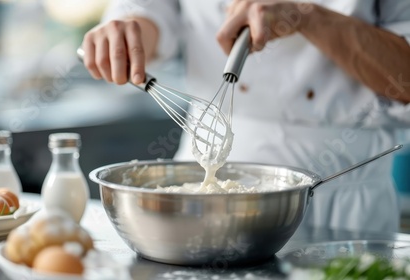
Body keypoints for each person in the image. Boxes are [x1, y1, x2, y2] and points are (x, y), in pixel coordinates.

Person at [81, 0, 410, 234]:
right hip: (203, 195)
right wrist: (128, 33)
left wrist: (308, 17)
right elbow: (150, 12)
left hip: (344, 199)